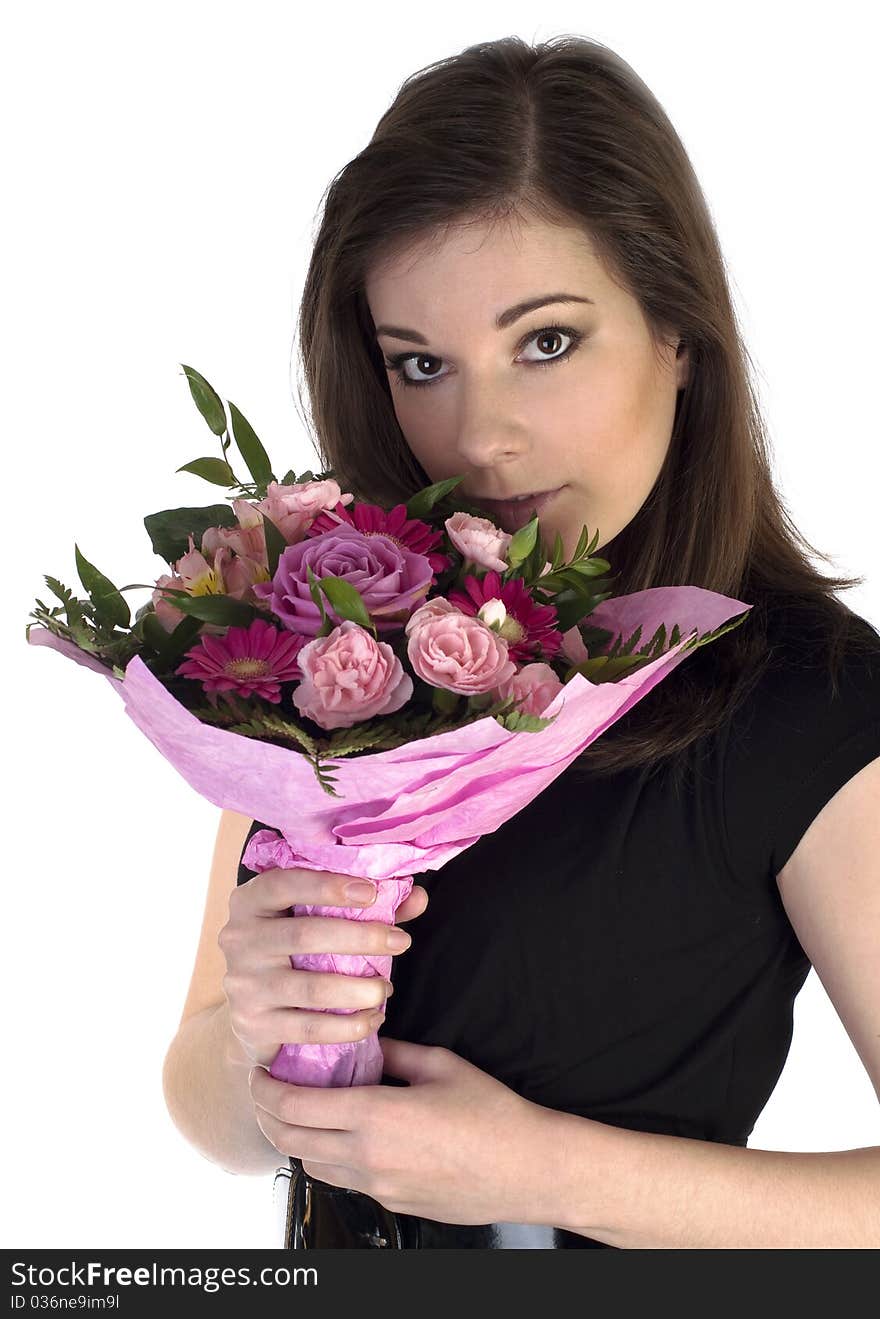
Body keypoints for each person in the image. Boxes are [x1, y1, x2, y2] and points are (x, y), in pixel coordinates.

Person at [161, 34, 880, 1248]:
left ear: (678, 334)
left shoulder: (811, 695)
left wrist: (549, 1175)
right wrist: (256, 1047)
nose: (480, 435)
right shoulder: (345, 642)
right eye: (421, 364)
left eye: (545, 341)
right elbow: (204, 1104)